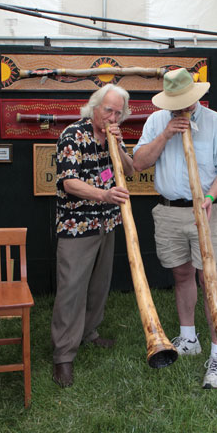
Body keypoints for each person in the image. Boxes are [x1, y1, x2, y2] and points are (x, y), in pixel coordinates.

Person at [133, 68, 217, 389]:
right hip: (169, 211)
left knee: (212, 282)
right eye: (175, 103)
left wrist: (209, 197)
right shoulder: (155, 121)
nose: (181, 108)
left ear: (196, 97)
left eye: (186, 102)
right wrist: (165, 134)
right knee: (180, 275)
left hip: (206, 211)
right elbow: (138, 162)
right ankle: (189, 338)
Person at [52, 84, 134, 388]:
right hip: (77, 226)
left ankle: (89, 333)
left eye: (118, 112)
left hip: (106, 224)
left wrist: (120, 145)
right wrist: (104, 195)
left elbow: (131, 169)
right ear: (94, 107)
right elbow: (69, 184)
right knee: (72, 289)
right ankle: (63, 355)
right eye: (107, 110)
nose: (112, 116)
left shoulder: (112, 136)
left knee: (99, 285)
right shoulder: (73, 136)